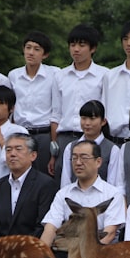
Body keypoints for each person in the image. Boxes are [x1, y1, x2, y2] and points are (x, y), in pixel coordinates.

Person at [50, 24, 108, 183]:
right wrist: (54, 151)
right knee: (64, 183)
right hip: (65, 138)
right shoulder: (60, 76)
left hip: (93, 138)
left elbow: (105, 111)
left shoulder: (104, 75)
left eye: (82, 45)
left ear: (93, 48)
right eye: (73, 45)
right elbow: (56, 114)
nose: (76, 49)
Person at [9, 31, 59, 174]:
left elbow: (56, 111)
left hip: (43, 134)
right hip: (20, 133)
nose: (31, 52)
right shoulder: (14, 76)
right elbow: (10, 110)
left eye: (37, 49)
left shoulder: (54, 74)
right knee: (19, 174)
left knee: (44, 176)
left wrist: (53, 144)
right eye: (28, 47)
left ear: (45, 54)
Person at [59, 100, 124, 189]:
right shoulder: (70, 147)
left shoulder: (112, 150)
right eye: (84, 118)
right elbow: (65, 182)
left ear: (103, 121)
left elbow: (113, 183)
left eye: (92, 119)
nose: (87, 123)